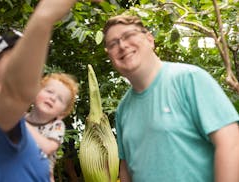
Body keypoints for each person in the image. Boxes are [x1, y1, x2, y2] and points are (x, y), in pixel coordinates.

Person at [0, 0, 101, 181]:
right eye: (18, 55)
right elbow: (19, 91)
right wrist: (44, 17)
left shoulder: (13, 123)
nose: (30, 65)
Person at [102, 14, 239, 182]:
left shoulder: (190, 79)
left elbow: (231, 143)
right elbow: (126, 170)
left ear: (150, 39)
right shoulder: (123, 109)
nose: (122, 45)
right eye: (113, 44)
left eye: (129, 36)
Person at [25, 73, 79, 182]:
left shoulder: (57, 126)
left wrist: (25, 125)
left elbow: (48, 148)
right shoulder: (20, 118)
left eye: (60, 99)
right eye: (49, 91)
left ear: (62, 113)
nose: (53, 98)